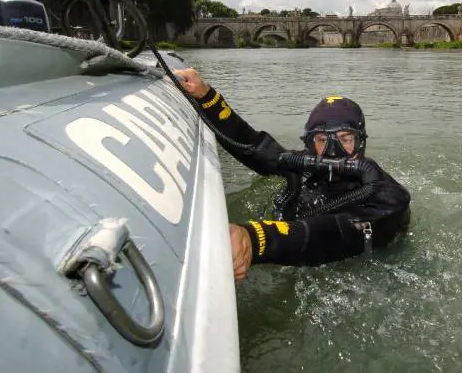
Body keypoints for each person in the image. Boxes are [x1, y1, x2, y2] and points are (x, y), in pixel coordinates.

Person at [174, 67, 411, 282]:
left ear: (361, 143)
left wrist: (254, 239)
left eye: (346, 139)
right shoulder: (305, 167)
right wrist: (206, 96)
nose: (333, 151)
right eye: (322, 140)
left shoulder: (387, 197)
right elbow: (253, 146)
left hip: (361, 278)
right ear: (309, 144)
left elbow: (335, 232)